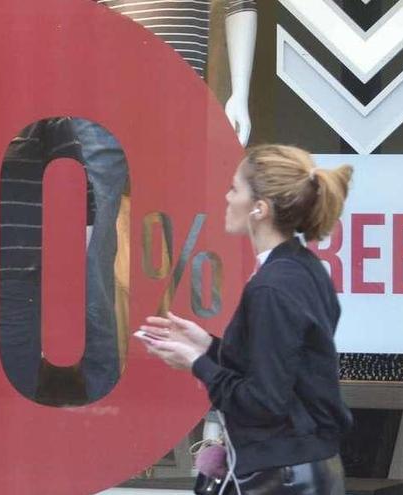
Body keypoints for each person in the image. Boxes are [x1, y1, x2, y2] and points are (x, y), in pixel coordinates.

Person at [137, 144, 354, 494]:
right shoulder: (302, 268)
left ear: (259, 208)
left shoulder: (273, 286)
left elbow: (264, 402)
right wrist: (208, 347)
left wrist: (197, 363)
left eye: (235, 188)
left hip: (281, 475)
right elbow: (284, 367)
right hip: (302, 466)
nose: (226, 196)